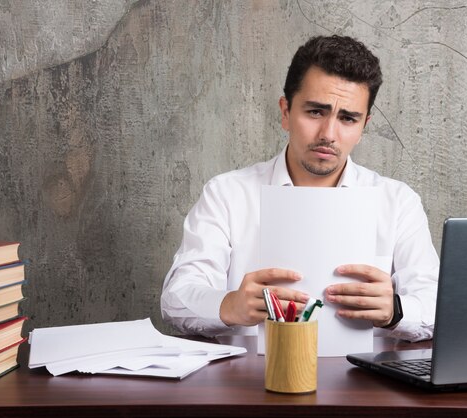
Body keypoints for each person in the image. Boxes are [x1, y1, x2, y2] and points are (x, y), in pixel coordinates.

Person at [161, 35, 439, 342]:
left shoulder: (398, 202)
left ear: (363, 128)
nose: (328, 134)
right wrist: (230, 305)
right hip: (249, 382)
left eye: (348, 118)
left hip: (363, 383)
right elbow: (177, 298)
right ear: (285, 112)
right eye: (315, 112)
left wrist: (395, 312)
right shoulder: (227, 194)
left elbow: (437, 305)